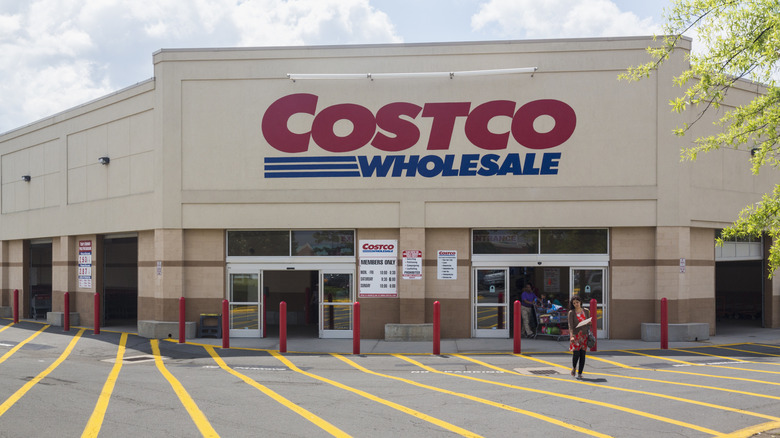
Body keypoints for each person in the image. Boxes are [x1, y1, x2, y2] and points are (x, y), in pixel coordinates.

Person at [567, 295, 591, 380]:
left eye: (577, 302)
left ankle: (580, 373)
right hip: (576, 336)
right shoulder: (571, 313)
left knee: (583, 354)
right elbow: (570, 326)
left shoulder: (586, 311)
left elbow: (590, 323)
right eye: (574, 303)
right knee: (576, 353)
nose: (576, 304)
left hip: (584, 335)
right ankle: (574, 368)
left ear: (580, 302)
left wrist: (589, 322)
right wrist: (571, 337)